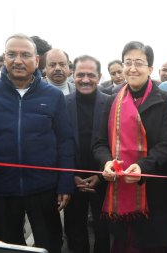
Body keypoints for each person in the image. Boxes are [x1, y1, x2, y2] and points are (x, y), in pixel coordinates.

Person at [0, 34, 75, 253]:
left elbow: (65, 141)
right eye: (12, 54)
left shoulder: (54, 96)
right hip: (1, 188)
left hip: (44, 188)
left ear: (37, 61)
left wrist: (65, 183)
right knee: (9, 246)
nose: (18, 60)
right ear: (4, 57)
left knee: (51, 243)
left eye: (25, 55)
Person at [93, 41, 167, 253]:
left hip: (152, 190)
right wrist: (107, 162)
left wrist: (143, 166)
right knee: (122, 243)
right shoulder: (112, 101)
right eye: (128, 62)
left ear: (150, 68)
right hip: (118, 187)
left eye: (139, 63)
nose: (132, 68)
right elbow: (99, 143)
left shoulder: (165, 100)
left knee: (150, 245)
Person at [64, 55, 110, 253]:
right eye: (80, 74)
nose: (85, 79)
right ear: (72, 75)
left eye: (90, 75)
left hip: (103, 179)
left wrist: (101, 175)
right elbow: (58, 142)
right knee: (75, 231)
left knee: (104, 231)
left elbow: (116, 144)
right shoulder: (62, 103)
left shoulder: (111, 102)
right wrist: (70, 176)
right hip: (72, 179)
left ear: (99, 77)